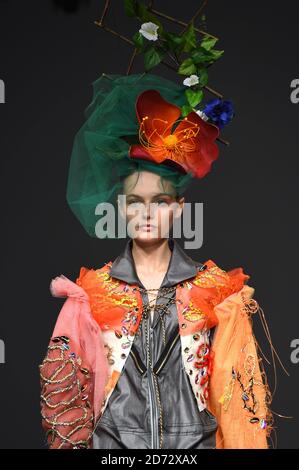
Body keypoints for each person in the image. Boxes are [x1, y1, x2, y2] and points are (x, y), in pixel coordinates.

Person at [39, 73, 277, 449]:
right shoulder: (91, 294)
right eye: (135, 202)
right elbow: (65, 400)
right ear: (121, 208)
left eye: (160, 203)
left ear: (179, 209)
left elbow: (240, 404)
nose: (147, 213)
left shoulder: (215, 292)